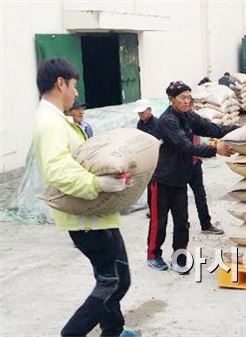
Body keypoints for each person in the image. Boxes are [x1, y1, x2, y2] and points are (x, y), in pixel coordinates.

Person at [33, 58, 139, 337]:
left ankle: (113, 330)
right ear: (60, 83)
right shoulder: (51, 123)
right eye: (74, 86)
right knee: (110, 282)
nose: (76, 93)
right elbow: (57, 169)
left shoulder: (59, 120)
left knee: (119, 279)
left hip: (95, 214)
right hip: (86, 220)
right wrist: (96, 183)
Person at [146, 81, 237, 273]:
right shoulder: (167, 121)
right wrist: (215, 149)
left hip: (180, 179)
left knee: (182, 221)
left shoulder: (189, 116)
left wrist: (239, 129)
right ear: (172, 100)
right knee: (159, 221)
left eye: (189, 97)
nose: (187, 101)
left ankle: (179, 257)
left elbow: (212, 129)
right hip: (162, 180)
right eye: (182, 98)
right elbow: (186, 147)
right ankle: (153, 255)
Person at [188, 99, 225, 235]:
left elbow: (210, 130)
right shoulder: (176, 122)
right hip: (182, 164)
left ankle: (205, 224)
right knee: (179, 198)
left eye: (191, 105)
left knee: (200, 195)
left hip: (195, 163)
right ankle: (183, 223)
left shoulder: (195, 120)